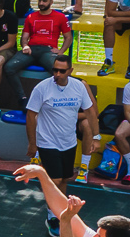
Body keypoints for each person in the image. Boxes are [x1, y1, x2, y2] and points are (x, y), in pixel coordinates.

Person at [24, 52, 95, 186]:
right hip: (47, 141)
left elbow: (91, 111)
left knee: (64, 179)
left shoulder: (79, 86)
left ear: (70, 71)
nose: (57, 74)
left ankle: (59, 207)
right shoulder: (42, 88)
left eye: (62, 71)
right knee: (55, 180)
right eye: (55, 70)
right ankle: (51, 207)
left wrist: (96, 137)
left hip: (68, 141)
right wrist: (32, 143)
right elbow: (31, 115)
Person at [17, 0, 72, 86]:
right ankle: (21, 97)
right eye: (40, 0)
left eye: (44, 1)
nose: (41, 3)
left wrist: (61, 51)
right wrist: (25, 45)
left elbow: (68, 37)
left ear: (51, 2)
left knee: (58, 71)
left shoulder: (60, 17)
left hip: (48, 50)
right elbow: (24, 37)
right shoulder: (31, 17)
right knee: (9, 67)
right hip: (31, 49)